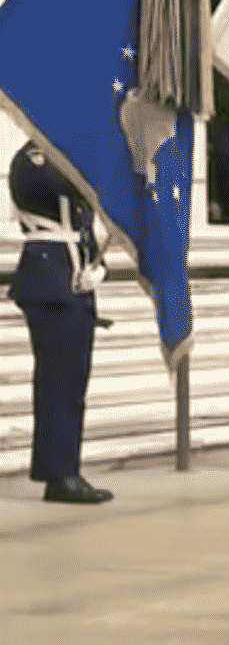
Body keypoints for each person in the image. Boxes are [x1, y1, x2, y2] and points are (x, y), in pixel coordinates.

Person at [9, 141, 111, 503]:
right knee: (58, 382)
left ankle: (65, 469)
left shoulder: (62, 156)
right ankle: (59, 474)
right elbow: (65, 188)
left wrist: (94, 264)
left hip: (70, 278)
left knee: (72, 382)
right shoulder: (34, 159)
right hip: (50, 278)